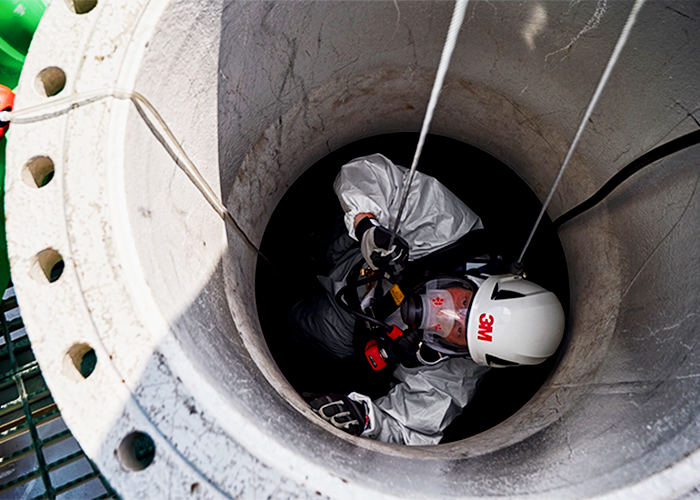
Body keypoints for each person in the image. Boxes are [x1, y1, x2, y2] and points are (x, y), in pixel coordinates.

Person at [290, 153, 565, 445]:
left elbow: (411, 430)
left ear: (469, 354)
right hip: (356, 251)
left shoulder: (455, 376)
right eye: (464, 304)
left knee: (298, 325)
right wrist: (365, 225)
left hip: (353, 325)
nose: (445, 316)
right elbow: (370, 174)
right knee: (312, 241)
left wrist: (365, 417)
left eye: (459, 332)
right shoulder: (449, 231)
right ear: (484, 281)